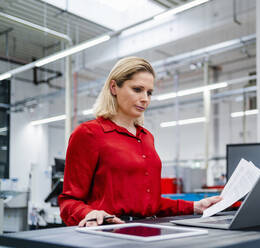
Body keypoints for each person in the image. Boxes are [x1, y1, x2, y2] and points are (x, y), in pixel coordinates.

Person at [58, 57, 221, 227]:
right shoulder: (89, 133)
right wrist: (90, 213)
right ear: (114, 87)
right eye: (137, 89)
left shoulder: (147, 137)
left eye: (149, 92)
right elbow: (69, 201)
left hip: (150, 230)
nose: (145, 99)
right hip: (110, 233)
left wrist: (194, 206)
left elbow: (152, 205)